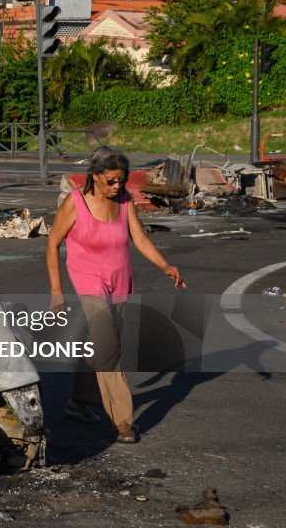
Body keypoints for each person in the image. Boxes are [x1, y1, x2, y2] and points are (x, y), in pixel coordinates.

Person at [46, 146, 185, 444]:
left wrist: (165, 265)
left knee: (102, 345)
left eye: (121, 180)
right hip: (89, 282)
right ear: (94, 176)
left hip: (121, 281)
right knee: (110, 349)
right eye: (111, 180)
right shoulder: (76, 203)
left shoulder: (124, 201)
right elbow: (52, 244)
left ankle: (78, 402)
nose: (117, 186)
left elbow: (139, 238)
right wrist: (56, 292)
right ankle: (123, 421)